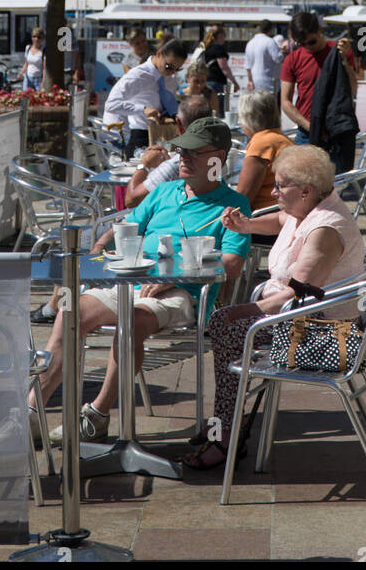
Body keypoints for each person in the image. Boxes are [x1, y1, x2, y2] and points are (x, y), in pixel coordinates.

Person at [26, 117, 251, 444]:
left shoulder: (234, 205)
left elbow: (231, 266)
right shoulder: (164, 192)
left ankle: (97, 415)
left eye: (192, 152)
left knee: (129, 324)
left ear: (217, 157)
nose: (182, 157)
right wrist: (101, 247)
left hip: (182, 294)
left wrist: (174, 274)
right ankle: (32, 413)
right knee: (68, 313)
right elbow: (126, 230)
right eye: (180, 150)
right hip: (131, 284)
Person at [182, 144, 366, 469]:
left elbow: (295, 295)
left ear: (306, 191)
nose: (272, 190)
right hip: (299, 321)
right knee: (226, 323)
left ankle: (226, 435)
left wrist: (243, 311)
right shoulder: (308, 211)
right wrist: (247, 226)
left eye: (280, 185)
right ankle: (226, 423)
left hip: (319, 333)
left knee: (225, 326)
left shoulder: (325, 229)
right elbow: (282, 219)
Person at [280, 10, 357, 172]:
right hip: (306, 133)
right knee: (304, 189)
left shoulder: (338, 52)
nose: (308, 47)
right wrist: (310, 126)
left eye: (312, 42)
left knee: (334, 189)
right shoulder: (292, 59)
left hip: (335, 133)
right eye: (302, 44)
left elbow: (352, 90)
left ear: (320, 30)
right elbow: (285, 102)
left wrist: (344, 61)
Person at [123, 93, 214, 208]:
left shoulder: (179, 163)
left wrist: (144, 165)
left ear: (179, 124)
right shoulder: (218, 155)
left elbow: (131, 200)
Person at [103, 38, 187, 155]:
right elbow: (111, 105)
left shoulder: (170, 79)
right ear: (159, 54)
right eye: (169, 67)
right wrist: (143, 109)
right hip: (141, 137)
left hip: (166, 134)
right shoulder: (137, 75)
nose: (172, 72)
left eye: (178, 69)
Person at [233, 90, 293, 212]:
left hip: (265, 216)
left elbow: (243, 198)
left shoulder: (261, 143)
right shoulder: (281, 139)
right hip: (285, 211)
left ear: (248, 118)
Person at [202, 25, 239, 115]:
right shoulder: (218, 49)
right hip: (217, 83)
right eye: (224, 36)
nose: (225, 39)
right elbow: (224, 67)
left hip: (208, 82)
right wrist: (234, 82)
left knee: (210, 109)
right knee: (219, 110)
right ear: (220, 35)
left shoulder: (208, 48)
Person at [244, 20, 283, 92]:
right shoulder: (270, 41)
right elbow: (278, 59)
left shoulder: (250, 43)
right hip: (269, 83)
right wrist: (283, 51)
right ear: (271, 30)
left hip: (254, 82)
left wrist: (250, 80)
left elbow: (248, 66)